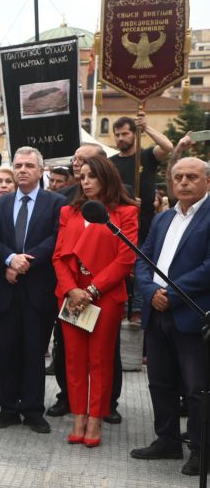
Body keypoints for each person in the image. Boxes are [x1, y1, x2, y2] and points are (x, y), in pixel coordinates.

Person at [131, 154, 210, 475]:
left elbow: (208, 267)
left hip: (191, 314)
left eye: (192, 177)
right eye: (178, 177)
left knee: (196, 387)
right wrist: (151, 293)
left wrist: (171, 294)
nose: (184, 182)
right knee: (160, 381)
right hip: (157, 312)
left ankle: (201, 449)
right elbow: (141, 258)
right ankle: (167, 440)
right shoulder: (163, 218)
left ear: (207, 181)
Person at [53, 155, 138, 448]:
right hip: (71, 299)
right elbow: (59, 257)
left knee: (99, 361)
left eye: (92, 176)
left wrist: (91, 290)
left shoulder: (125, 213)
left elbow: (125, 259)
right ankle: (78, 416)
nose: (85, 181)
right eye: (83, 176)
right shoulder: (69, 212)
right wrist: (71, 290)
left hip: (105, 298)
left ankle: (95, 419)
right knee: (74, 360)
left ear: (106, 178)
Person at [0, 147, 62, 433]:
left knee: (33, 351)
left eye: (29, 165)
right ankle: (8, 408)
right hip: (7, 288)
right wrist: (8, 259)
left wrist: (26, 261)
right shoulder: (0, 203)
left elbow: (57, 237)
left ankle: (32, 410)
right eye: (18, 165)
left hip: (37, 288)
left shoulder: (54, 203)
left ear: (41, 170)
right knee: (5, 351)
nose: (22, 170)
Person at [110, 112, 174, 246]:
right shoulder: (110, 163)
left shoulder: (147, 156)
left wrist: (146, 127)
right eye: (117, 135)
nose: (120, 138)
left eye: (125, 134)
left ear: (135, 134)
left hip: (146, 219)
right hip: (120, 218)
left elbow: (167, 147)